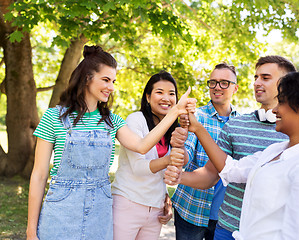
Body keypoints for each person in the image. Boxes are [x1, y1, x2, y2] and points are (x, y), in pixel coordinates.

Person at [26, 45, 196, 240]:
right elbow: (39, 176)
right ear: (87, 78)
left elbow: (142, 145)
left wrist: (175, 112)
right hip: (60, 212)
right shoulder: (53, 118)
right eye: (106, 80)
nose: (111, 87)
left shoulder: (112, 121)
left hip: (100, 214)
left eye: (113, 81)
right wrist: (31, 231)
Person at [167, 70, 299, 240]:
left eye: (282, 102)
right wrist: (198, 129)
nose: (275, 110)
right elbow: (232, 170)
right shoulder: (276, 150)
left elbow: (297, 235)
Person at [167, 56, 296, 239]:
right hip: (218, 223)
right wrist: (178, 166)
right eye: (256, 77)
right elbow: (210, 172)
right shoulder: (233, 125)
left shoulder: (296, 132)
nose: (257, 83)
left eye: (265, 78)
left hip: (267, 232)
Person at [111, 71, 185, 239]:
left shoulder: (172, 128)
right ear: (148, 97)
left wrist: (164, 198)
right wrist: (168, 160)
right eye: (160, 92)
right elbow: (138, 167)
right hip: (127, 204)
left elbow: (174, 166)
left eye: (171, 94)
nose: (166, 98)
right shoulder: (135, 120)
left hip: (156, 211)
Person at [171, 63, 240, 240]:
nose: (217, 87)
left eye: (224, 82)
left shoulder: (240, 123)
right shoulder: (196, 117)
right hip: (191, 208)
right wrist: (179, 150)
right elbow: (186, 152)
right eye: (213, 82)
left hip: (225, 216)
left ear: (235, 88)